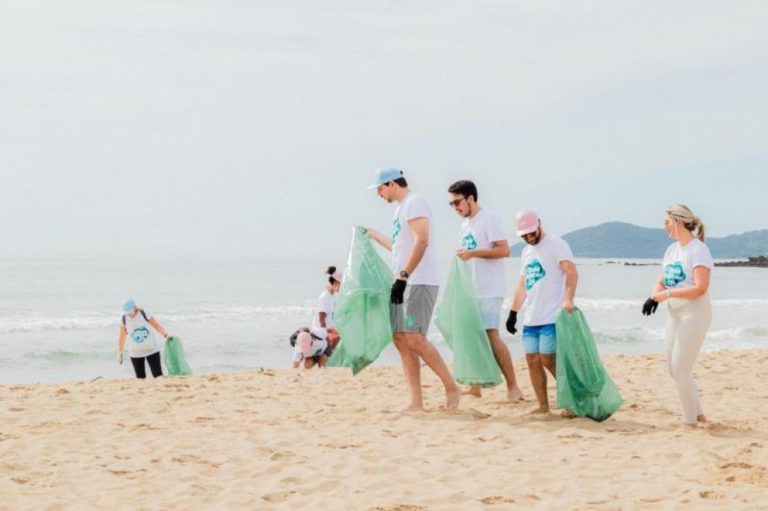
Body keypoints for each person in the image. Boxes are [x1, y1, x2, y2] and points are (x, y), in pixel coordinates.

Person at [365, 167, 460, 411]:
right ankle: (416, 401)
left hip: (419, 280)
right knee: (400, 339)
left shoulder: (415, 202)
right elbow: (398, 247)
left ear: (392, 184)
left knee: (415, 337)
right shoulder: (400, 210)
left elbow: (422, 241)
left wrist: (404, 276)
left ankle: (451, 387)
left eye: (380, 189)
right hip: (403, 280)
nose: (379, 194)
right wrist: (371, 234)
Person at [447, 180, 523, 402]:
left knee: (492, 336)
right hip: (472, 290)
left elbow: (504, 250)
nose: (455, 208)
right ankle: (475, 387)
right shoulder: (465, 226)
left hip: (490, 289)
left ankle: (513, 388)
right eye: (451, 204)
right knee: (472, 337)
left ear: (470, 198)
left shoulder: (489, 218)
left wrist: (472, 254)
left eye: (457, 202)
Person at [642, 204, 713, 429]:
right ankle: (699, 413)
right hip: (674, 312)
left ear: (678, 222)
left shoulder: (697, 249)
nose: (664, 227)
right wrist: (654, 296)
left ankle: (689, 422)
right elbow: (661, 279)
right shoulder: (672, 251)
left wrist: (666, 294)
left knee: (681, 367)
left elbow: (700, 288)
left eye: (666, 222)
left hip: (695, 312)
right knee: (673, 368)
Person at [506, 210, 578, 414]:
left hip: (552, 316)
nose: (529, 237)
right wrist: (513, 312)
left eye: (531, 233)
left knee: (548, 357)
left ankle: (572, 398)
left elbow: (571, 271)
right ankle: (543, 406)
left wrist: (569, 299)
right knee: (532, 359)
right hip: (531, 317)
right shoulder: (526, 252)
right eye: (524, 235)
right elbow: (523, 284)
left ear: (539, 224)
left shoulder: (556, 244)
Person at [117, 298, 172, 379]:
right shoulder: (124, 318)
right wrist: (120, 352)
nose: (128, 314)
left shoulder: (144, 313)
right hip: (135, 353)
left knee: (158, 376)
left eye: (130, 311)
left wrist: (166, 335)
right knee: (140, 379)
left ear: (134, 307)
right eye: (126, 312)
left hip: (152, 350)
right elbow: (122, 337)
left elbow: (156, 326)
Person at [311, 266, 342, 350]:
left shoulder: (332, 296)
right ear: (336, 283)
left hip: (329, 330)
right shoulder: (325, 297)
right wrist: (326, 336)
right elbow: (321, 319)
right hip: (321, 332)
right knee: (339, 339)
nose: (342, 287)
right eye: (341, 284)